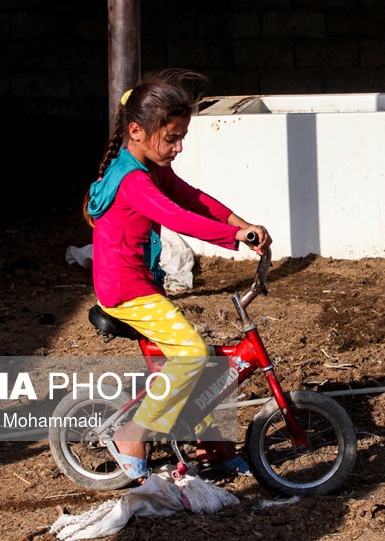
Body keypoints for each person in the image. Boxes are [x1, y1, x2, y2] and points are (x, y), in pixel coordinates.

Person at [84, 68, 272, 482]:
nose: (179, 146)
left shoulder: (149, 167)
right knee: (192, 354)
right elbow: (177, 216)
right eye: (172, 138)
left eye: (181, 136)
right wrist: (236, 235)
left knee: (196, 361)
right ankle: (131, 434)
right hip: (125, 290)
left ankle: (212, 446)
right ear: (137, 131)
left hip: (142, 283)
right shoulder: (133, 180)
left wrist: (243, 224)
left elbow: (193, 197)